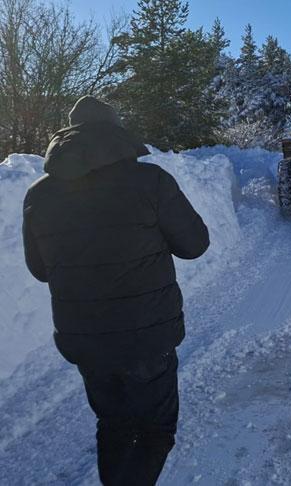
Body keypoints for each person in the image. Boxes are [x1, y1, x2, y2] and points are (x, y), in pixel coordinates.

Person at [22, 96, 209, 486]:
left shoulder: (38, 196)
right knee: (156, 431)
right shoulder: (150, 181)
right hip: (147, 336)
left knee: (114, 425)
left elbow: (40, 270)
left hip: (85, 340)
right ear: (116, 131)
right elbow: (195, 245)